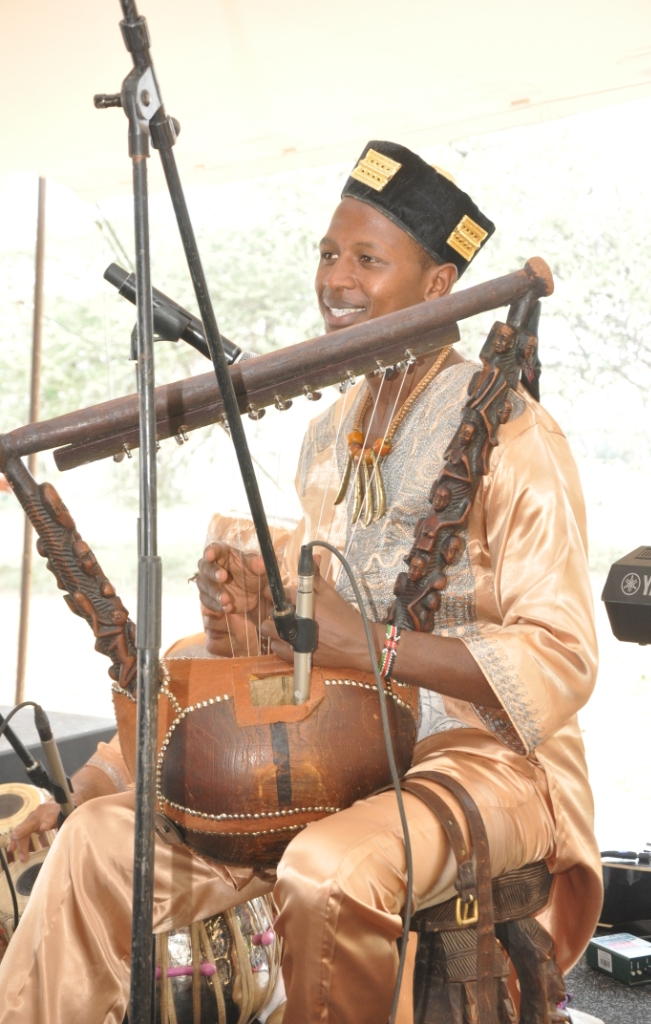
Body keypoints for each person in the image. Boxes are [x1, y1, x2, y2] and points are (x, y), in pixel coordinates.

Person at [0, 141, 601, 1024]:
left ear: (439, 287)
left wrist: (380, 647)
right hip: (334, 743)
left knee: (330, 872)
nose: (337, 279)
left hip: (487, 759)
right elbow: (316, 633)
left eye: (367, 259)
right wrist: (249, 618)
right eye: (328, 254)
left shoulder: (513, 433)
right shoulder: (328, 433)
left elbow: (564, 656)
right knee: (98, 843)